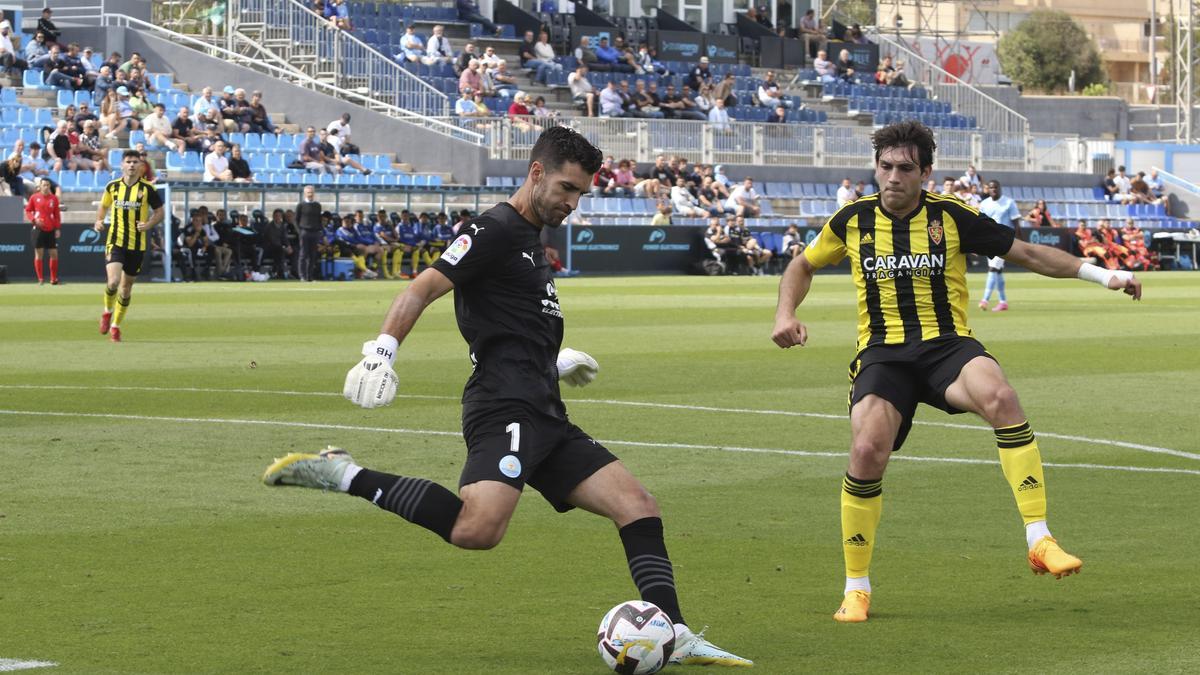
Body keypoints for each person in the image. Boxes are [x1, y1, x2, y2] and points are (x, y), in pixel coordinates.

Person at [261, 126, 752, 669]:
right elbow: (422, 288)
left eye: (581, 193)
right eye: (567, 188)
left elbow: (508, 324)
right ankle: (343, 473)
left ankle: (675, 633)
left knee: (637, 506)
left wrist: (553, 363)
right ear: (536, 173)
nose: (572, 203)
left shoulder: (530, 238)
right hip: (504, 407)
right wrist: (380, 352)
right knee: (477, 529)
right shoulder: (493, 229)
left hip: (544, 408)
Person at [771, 120, 1141, 624]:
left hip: (947, 347)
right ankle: (856, 587)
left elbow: (1029, 253)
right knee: (867, 450)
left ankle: (1040, 538)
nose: (894, 177)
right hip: (883, 353)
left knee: (1002, 398)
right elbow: (802, 265)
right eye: (886, 167)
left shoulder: (951, 216)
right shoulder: (851, 220)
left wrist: (1104, 274)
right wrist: (785, 314)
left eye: (906, 168)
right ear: (875, 168)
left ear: (925, 172)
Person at [94, 150, 165, 342]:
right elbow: (104, 206)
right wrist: (98, 220)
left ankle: (115, 326)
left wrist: (148, 224)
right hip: (116, 240)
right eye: (128, 162)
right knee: (113, 282)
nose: (132, 165)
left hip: (137, 245)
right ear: (122, 165)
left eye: (135, 162)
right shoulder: (113, 186)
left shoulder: (148, 189)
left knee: (125, 290)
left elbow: (160, 212)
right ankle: (107, 312)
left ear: (140, 166)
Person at [977, 180, 1021, 312]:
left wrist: (1019, 241)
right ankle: (1003, 302)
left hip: (1004, 241)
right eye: (991, 187)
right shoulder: (984, 204)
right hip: (989, 241)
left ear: (1000, 188)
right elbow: (980, 223)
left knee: (993, 269)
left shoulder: (1009, 202)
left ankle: (985, 300)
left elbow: (1016, 223)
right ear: (988, 189)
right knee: (998, 271)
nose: (994, 189)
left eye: (996, 187)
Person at [26, 177, 62, 285]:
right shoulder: (34, 197)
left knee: (54, 254)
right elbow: (28, 211)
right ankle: (40, 279)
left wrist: (57, 228)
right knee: (39, 254)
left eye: (47, 185)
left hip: (50, 229)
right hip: (38, 229)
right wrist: (34, 220)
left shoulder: (54, 199)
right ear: (40, 186)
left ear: (49, 186)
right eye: (44, 185)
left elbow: (57, 214)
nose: (46, 187)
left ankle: (53, 279)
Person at [296, 185, 323, 282]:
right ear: (305, 193)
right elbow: (296, 219)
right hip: (304, 231)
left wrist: (319, 230)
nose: (310, 194)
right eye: (308, 192)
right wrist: (300, 231)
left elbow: (319, 219)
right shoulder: (301, 205)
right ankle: (302, 276)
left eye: (311, 192)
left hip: (314, 232)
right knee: (303, 254)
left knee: (312, 255)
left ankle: (309, 276)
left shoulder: (317, 205)